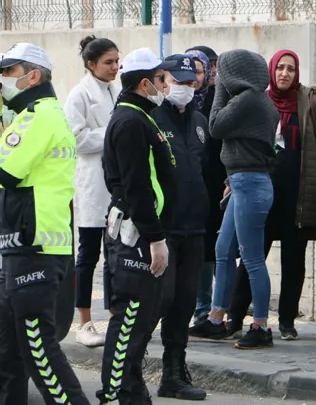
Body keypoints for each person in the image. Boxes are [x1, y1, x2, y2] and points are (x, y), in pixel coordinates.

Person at [0, 43, 90, 405]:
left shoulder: (40, 115)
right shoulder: (29, 115)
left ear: (32, 76)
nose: (3, 79)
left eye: (8, 72)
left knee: (40, 352)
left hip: (36, 247)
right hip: (21, 247)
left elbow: (6, 171)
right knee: (10, 349)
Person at [226, 49, 316, 341]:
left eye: (291, 69)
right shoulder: (258, 100)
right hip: (261, 189)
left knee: (294, 259)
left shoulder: (309, 102)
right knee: (252, 255)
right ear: (271, 71)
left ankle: (286, 320)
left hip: (297, 193)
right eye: (281, 68)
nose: (285, 74)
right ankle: (235, 316)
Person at [99, 48, 176, 405]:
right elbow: (136, 185)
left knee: (141, 318)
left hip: (143, 232)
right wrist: (155, 237)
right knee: (129, 318)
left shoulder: (141, 116)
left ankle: (130, 390)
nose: (167, 84)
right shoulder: (131, 121)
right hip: (135, 236)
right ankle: (117, 393)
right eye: (162, 79)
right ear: (146, 83)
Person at [190, 49, 279, 350]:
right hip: (242, 181)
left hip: (250, 184)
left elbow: (215, 125)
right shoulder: (255, 100)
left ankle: (261, 325)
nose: (216, 77)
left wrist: (220, 92)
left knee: (252, 257)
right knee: (222, 249)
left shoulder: (249, 100)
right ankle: (216, 318)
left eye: (221, 72)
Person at [151, 54, 209, 401]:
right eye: (178, 82)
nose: (184, 89)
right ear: (163, 81)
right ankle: (128, 372)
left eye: (190, 83)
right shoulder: (153, 119)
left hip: (194, 228)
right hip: (163, 230)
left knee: (184, 303)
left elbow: (206, 168)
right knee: (155, 303)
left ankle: (173, 373)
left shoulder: (200, 121)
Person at [64, 35, 120, 348]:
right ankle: (84, 321)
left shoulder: (116, 89)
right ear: (91, 64)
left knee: (115, 254)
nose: (115, 67)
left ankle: (115, 315)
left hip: (114, 183)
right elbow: (78, 140)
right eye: (108, 62)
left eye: (116, 61)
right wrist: (112, 132)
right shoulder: (78, 95)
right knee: (88, 255)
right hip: (90, 184)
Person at [185, 47, 224, 326]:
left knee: (212, 247)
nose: (195, 77)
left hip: (214, 182)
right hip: (186, 184)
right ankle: (193, 305)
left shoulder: (218, 100)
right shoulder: (179, 101)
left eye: (200, 70)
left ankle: (208, 307)